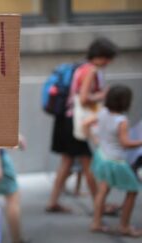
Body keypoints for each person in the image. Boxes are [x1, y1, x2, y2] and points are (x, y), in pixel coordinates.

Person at [46, 37, 118, 213]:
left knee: (67, 161)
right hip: (77, 123)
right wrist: (103, 95)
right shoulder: (91, 71)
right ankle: (98, 206)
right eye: (107, 58)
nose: (108, 62)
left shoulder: (80, 67)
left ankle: (53, 201)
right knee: (88, 164)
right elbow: (85, 98)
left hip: (66, 119)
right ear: (101, 56)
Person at [85, 85, 142, 237]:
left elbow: (86, 124)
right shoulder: (122, 120)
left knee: (102, 190)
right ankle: (124, 226)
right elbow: (125, 144)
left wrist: (95, 139)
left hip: (102, 156)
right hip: (116, 161)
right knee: (133, 190)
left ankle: (96, 222)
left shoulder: (103, 112)